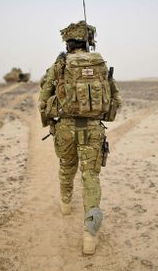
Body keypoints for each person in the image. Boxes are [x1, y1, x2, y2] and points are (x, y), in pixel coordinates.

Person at [38, 21, 122, 255]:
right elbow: (116, 98)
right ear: (88, 41)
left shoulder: (60, 65)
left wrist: (51, 119)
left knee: (66, 166)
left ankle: (65, 204)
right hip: (94, 129)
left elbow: (43, 100)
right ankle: (90, 235)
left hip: (65, 129)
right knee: (91, 177)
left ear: (68, 42)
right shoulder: (100, 64)